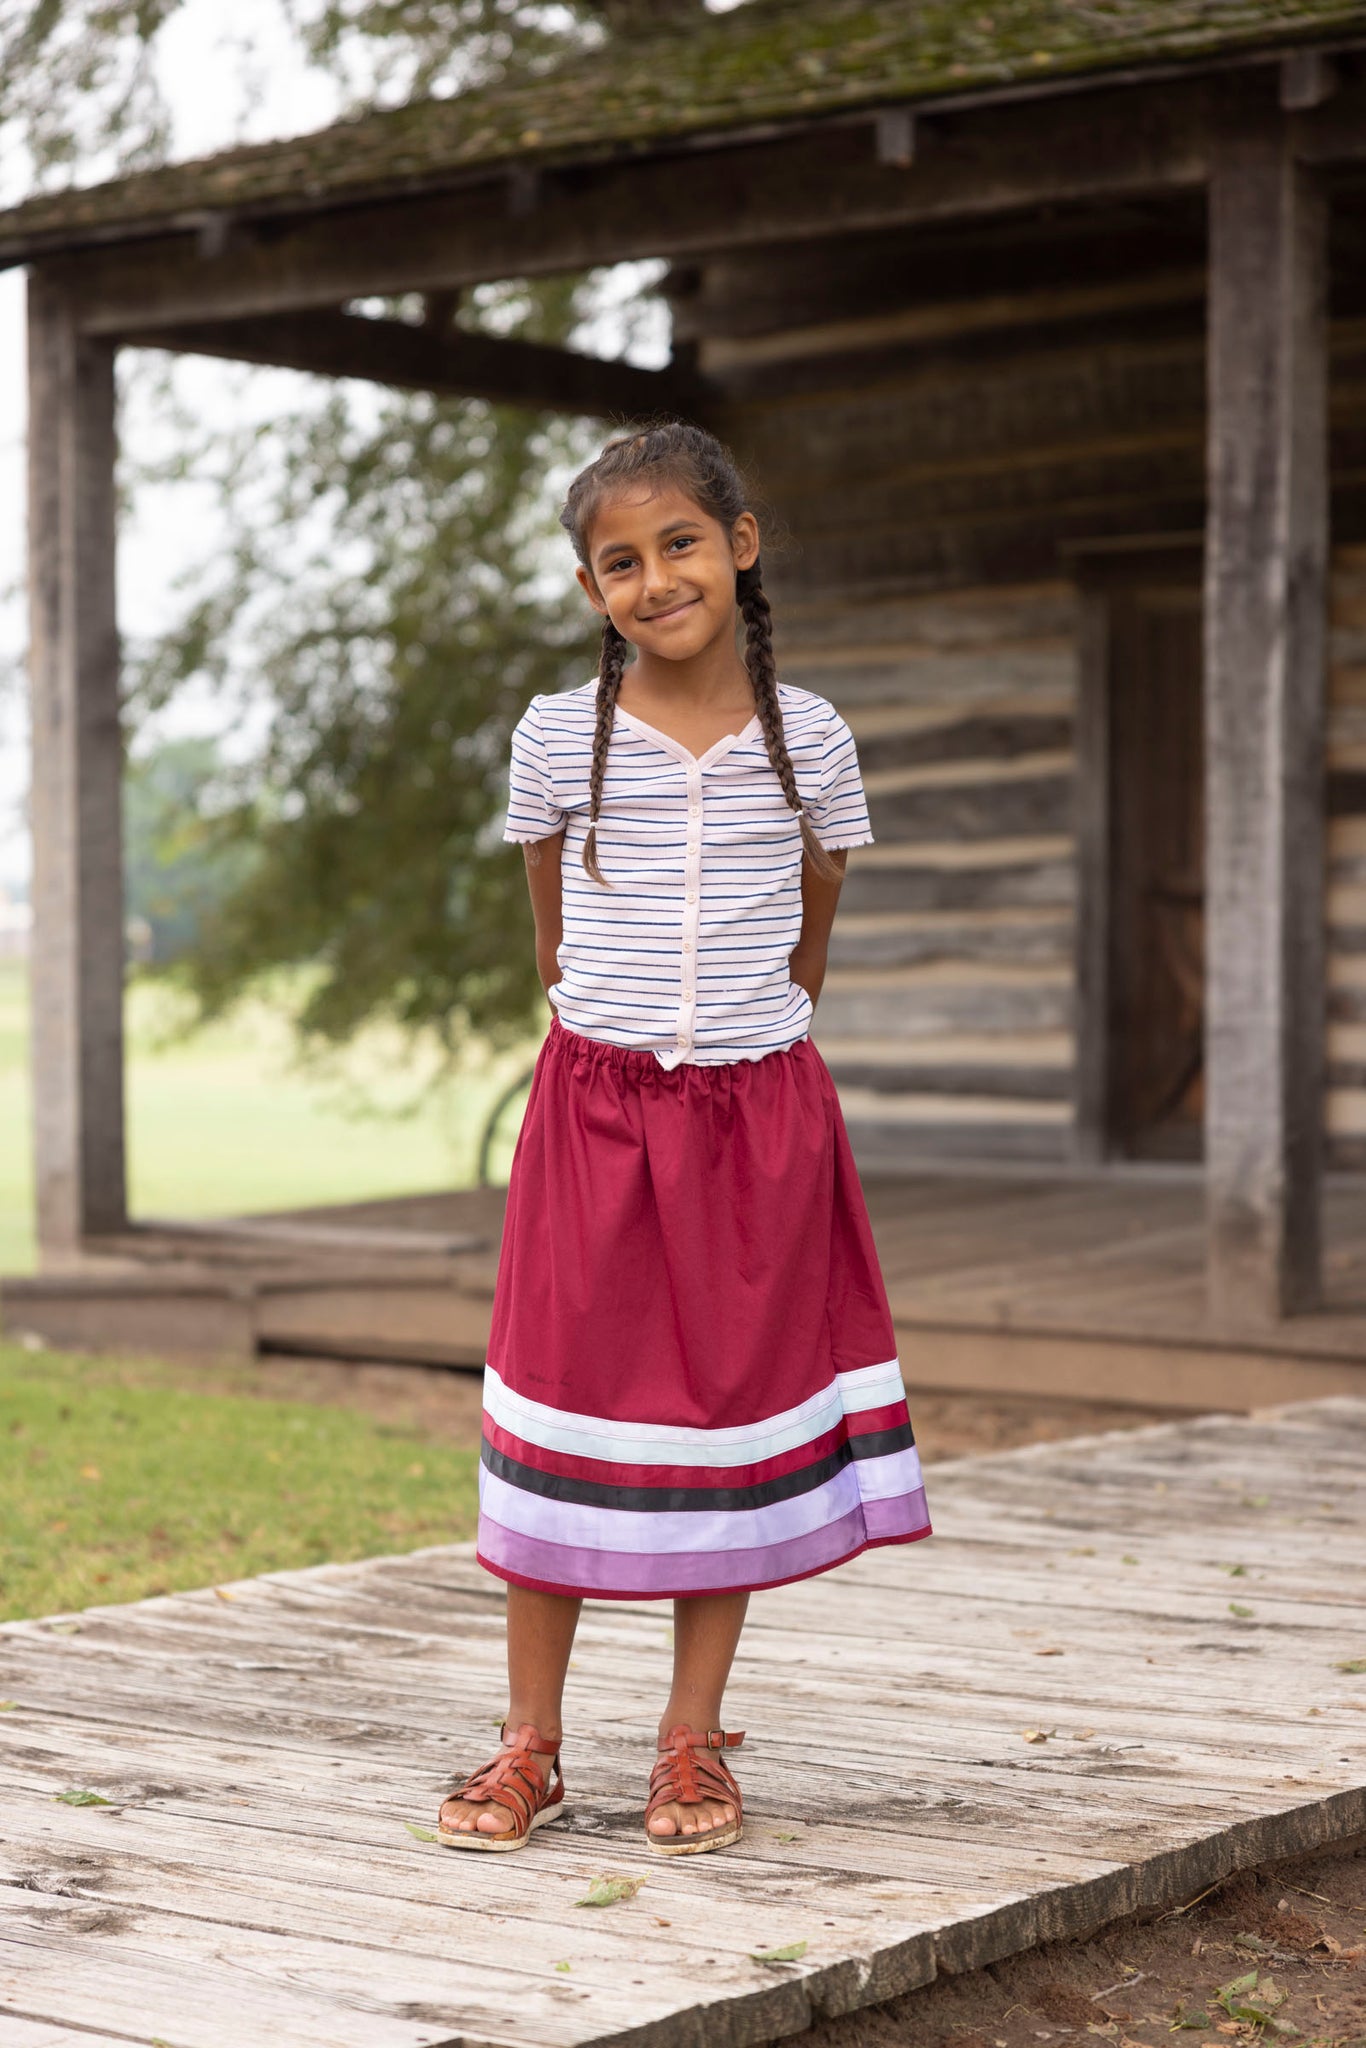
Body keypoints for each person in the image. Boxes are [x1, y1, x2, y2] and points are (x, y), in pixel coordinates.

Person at [436, 421, 931, 1857]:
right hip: (596, 1109)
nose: (655, 580)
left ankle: (691, 1741)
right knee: (564, 1405)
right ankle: (532, 1741)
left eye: (679, 546)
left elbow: (814, 904)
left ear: (742, 546)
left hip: (755, 1112)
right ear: (591, 589)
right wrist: (598, 1025)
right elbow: (548, 909)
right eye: (619, 562)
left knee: (727, 1415)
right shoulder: (557, 735)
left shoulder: (810, 736)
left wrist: (755, 1040)